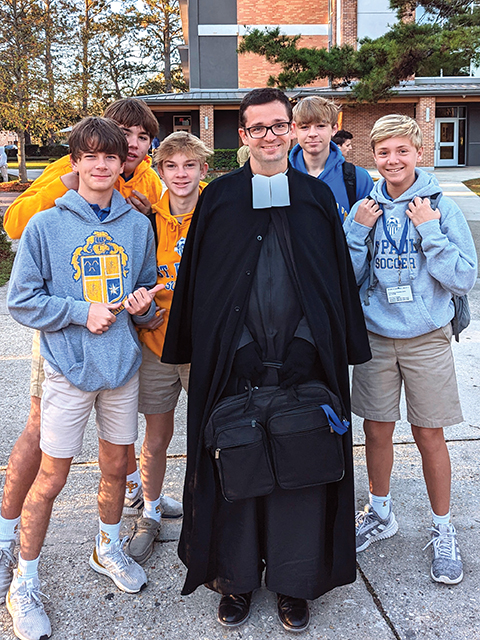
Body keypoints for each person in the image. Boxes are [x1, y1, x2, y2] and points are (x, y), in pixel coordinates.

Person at [162, 88, 371, 631]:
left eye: (281, 125)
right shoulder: (221, 199)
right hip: (236, 361)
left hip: (305, 358)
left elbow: (330, 286)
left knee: (301, 469)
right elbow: (204, 289)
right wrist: (237, 347)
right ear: (244, 136)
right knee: (237, 461)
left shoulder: (316, 198)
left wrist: (307, 344)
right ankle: (234, 580)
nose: (272, 136)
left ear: (293, 130)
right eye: (259, 128)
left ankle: (293, 582)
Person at [0, 98, 176, 603]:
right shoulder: (46, 225)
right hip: (68, 368)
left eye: (112, 157)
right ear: (73, 162)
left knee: (117, 466)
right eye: (91, 157)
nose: (101, 166)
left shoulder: (137, 224)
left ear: (126, 163)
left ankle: (107, 545)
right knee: (52, 474)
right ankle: (24, 576)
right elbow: (23, 300)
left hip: (121, 368)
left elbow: (145, 298)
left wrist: (144, 307)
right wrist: (81, 312)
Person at [343, 114, 477, 585]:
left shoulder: (441, 206)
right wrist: (357, 232)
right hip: (377, 338)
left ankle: (443, 528)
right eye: (383, 153)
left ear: (420, 153)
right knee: (376, 431)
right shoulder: (364, 208)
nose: (392, 160)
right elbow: (345, 279)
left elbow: (463, 278)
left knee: (429, 435)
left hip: (426, 339)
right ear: (372, 157)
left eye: (402, 151)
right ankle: (381, 512)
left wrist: (431, 231)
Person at [125, 132, 212, 564]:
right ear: (160, 172)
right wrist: (139, 311)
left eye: (189, 165)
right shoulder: (146, 221)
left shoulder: (218, 217)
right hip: (157, 345)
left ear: (203, 170)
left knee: (210, 434)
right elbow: (135, 282)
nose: (181, 174)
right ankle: (152, 513)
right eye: (172, 166)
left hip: (205, 350)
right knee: (156, 437)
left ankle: (213, 510)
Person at [289, 96, 373, 222]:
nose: (312, 133)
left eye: (320, 126)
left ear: (334, 128)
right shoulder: (280, 175)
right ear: (294, 130)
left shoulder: (358, 179)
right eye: (305, 127)